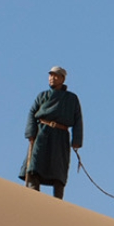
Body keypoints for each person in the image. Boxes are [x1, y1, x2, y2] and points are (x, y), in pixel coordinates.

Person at [20, 67, 83, 199]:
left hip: (61, 136)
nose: (52, 78)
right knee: (35, 165)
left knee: (58, 169)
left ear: (62, 79)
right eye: (50, 75)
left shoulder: (71, 98)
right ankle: (34, 196)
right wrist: (31, 132)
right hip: (42, 133)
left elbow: (78, 119)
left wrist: (76, 140)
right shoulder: (42, 96)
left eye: (55, 76)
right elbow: (32, 113)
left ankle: (57, 201)